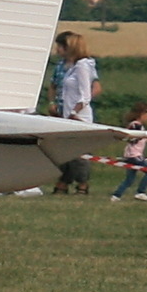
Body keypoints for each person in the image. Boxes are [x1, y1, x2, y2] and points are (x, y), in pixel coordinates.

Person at [52, 31, 101, 195]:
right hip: (67, 115)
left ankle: (82, 184)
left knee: (80, 153)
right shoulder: (68, 67)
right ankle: (65, 181)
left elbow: (85, 95)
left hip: (79, 116)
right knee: (66, 152)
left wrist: (74, 112)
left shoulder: (82, 66)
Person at [110, 102, 147, 202]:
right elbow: (131, 138)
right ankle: (141, 192)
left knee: (129, 179)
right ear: (141, 114)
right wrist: (142, 136)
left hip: (131, 155)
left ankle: (116, 195)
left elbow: (138, 139)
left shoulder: (137, 126)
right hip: (134, 155)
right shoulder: (136, 125)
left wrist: (146, 139)